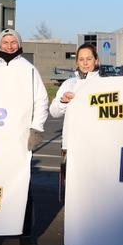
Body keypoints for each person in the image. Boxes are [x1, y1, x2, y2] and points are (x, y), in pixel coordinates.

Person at [0, 29, 50, 245]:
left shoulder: (29, 70)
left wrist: (36, 128)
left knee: (21, 186)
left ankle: (25, 234)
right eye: (5, 42)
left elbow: (42, 100)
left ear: (19, 44)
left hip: (19, 138)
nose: (9, 45)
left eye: (13, 41)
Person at [49, 44, 101, 201]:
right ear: (77, 62)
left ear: (96, 60)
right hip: (70, 146)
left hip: (95, 147)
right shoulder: (68, 83)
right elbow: (53, 112)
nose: (85, 63)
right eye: (81, 59)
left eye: (89, 59)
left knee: (93, 191)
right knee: (72, 193)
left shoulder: (104, 83)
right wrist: (63, 101)